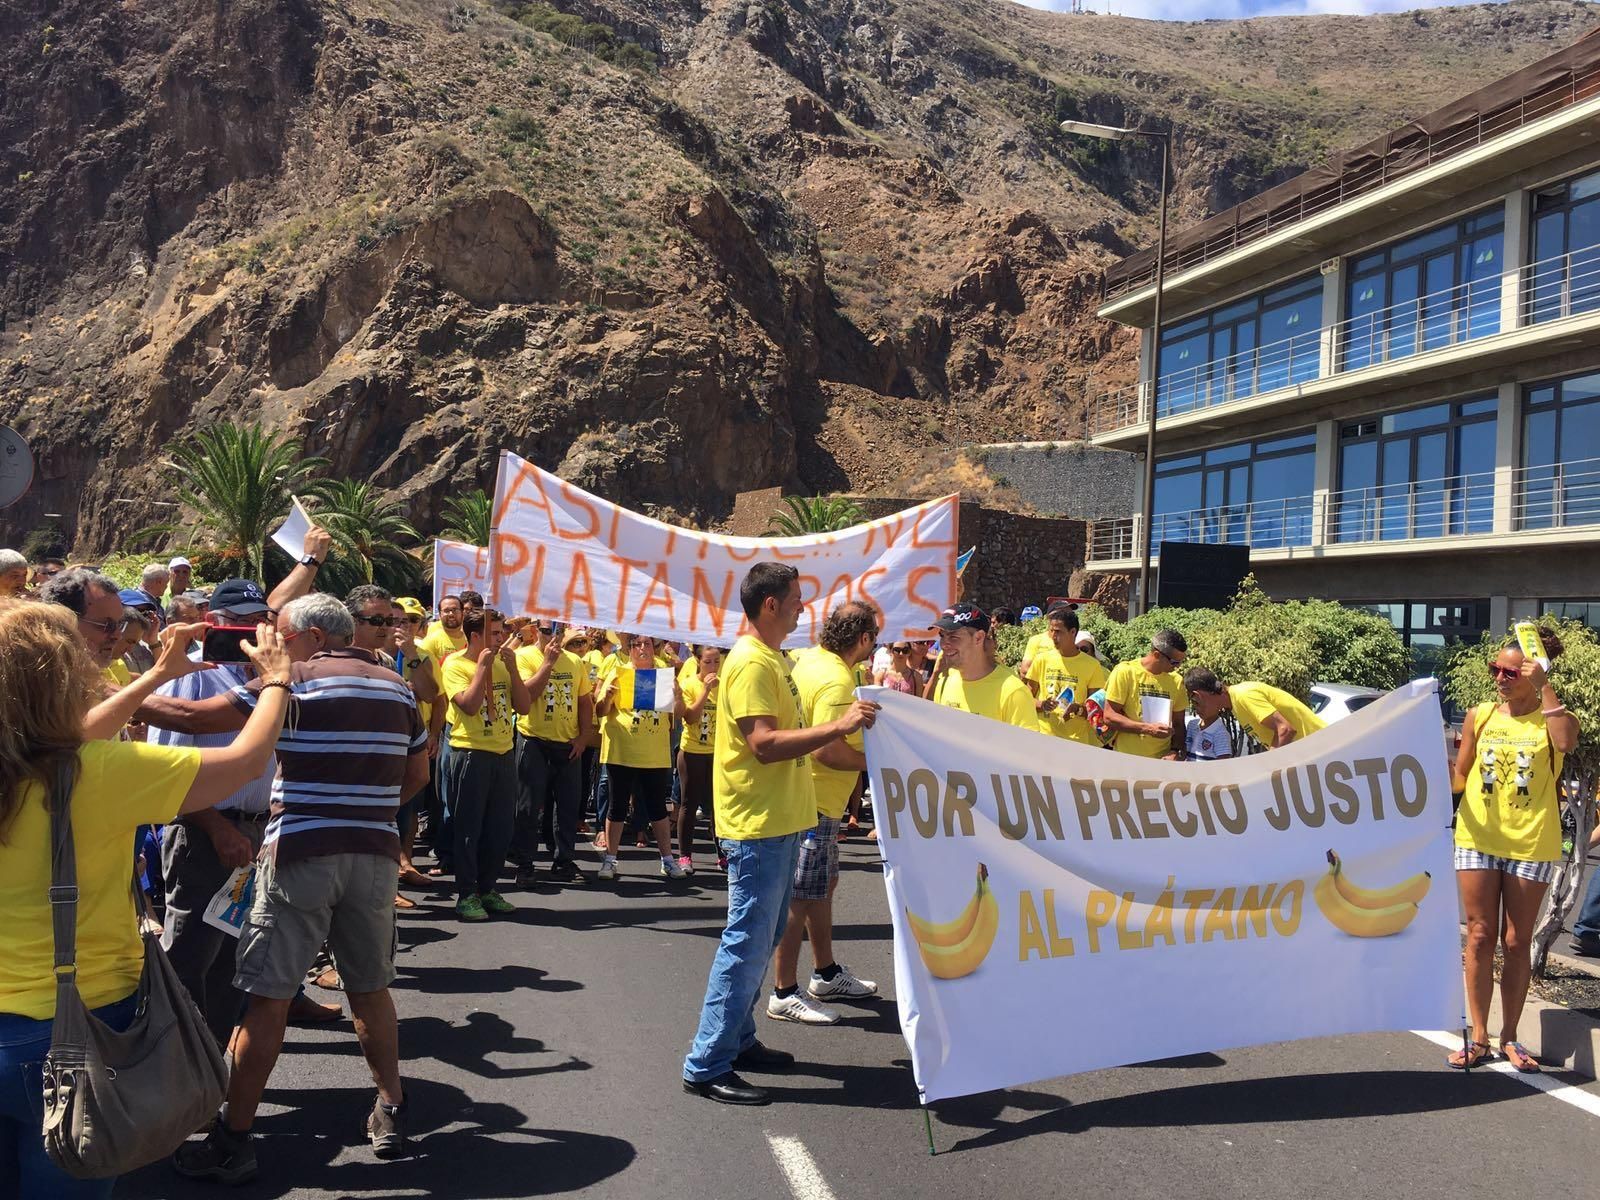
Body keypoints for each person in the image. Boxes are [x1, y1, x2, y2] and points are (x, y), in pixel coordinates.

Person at [0, 599, 291, 1200]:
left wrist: (157, 674)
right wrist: (278, 679)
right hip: (76, 1027)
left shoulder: (46, 765)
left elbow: (65, 740)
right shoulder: (101, 774)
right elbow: (246, 760)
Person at [144, 593, 429, 1179]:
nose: (267, 644)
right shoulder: (396, 688)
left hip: (300, 853)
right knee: (370, 988)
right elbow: (418, 773)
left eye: (277, 633)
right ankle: (391, 1108)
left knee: (269, 995)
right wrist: (366, 812)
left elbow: (196, 720)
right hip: (373, 856)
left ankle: (234, 1137)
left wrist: (122, 690)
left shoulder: (292, 681)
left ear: (310, 637)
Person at [682, 563, 879, 1106]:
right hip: (759, 826)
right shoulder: (749, 661)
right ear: (769, 604)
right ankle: (707, 1061)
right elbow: (764, 743)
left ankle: (738, 1039)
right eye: (794, 598)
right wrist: (839, 727)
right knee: (745, 944)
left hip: (781, 823)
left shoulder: (771, 659)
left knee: (762, 939)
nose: (801, 607)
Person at [145, 579, 337, 1042]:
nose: (248, 629)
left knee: (235, 959)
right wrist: (215, 828)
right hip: (205, 835)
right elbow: (165, 769)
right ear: (212, 622)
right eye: (236, 621)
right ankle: (176, 1073)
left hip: (252, 835)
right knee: (190, 957)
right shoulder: (193, 674)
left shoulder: (268, 677)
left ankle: (211, 1071)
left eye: (258, 620)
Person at [1448, 629, 1579, 1073]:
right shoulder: (1480, 716)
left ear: (1532, 673)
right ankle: (1480, 1038)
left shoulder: (1551, 718)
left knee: (1516, 941)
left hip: (1530, 844)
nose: (1500, 678)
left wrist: (1544, 685)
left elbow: (1566, 743)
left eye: (1510, 671)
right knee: (1480, 936)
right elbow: (1460, 778)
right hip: (1476, 838)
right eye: (1495, 670)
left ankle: (1510, 1038)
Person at [772, 602, 881, 1025]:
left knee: (823, 884)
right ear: (865, 639)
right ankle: (784, 991)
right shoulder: (837, 679)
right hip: (814, 802)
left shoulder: (811, 660)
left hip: (810, 798)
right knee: (801, 896)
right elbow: (828, 749)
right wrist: (875, 764)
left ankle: (826, 972)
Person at [441, 608, 530, 921]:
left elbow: (523, 705)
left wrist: (514, 670)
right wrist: (481, 669)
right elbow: (468, 705)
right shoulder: (455, 663)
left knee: (501, 828)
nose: (501, 637)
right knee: (469, 828)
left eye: (502, 631)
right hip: (469, 754)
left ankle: (489, 888)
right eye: (494, 633)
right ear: (475, 635)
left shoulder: (505, 663)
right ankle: (467, 894)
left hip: (503, 752)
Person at [593, 633, 683, 880]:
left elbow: (679, 715)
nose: (642, 649)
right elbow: (600, 710)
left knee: (657, 808)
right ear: (630, 648)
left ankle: (667, 860)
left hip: (653, 753)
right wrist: (609, 696)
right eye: (637, 645)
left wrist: (678, 696)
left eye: (647, 645)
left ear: (654, 648)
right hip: (621, 751)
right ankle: (610, 860)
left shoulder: (664, 672)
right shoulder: (618, 671)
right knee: (617, 806)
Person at [512, 622, 595, 886]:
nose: (553, 636)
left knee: (567, 805)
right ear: (536, 631)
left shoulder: (574, 661)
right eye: (547, 631)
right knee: (527, 806)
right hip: (533, 739)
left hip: (567, 743)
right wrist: (547, 663)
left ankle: (564, 861)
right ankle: (524, 863)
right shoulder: (524, 656)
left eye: (557, 631)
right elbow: (526, 696)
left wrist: (583, 737)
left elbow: (584, 701)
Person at [390, 597, 442, 897]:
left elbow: (433, 695)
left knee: (408, 806)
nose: (401, 626)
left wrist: (433, 735)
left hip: (413, 739)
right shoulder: (371, 654)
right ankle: (389, 878)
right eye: (395, 620)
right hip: (381, 742)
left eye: (409, 620)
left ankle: (405, 863)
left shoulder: (422, 654)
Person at [933, 604, 1039, 732]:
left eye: (953, 637)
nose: (944, 644)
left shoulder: (1013, 691)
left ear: (978, 638)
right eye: (942, 636)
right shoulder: (945, 682)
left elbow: (1027, 749)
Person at [1182, 668, 1325, 751]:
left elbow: (1285, 730)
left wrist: (1270, 768)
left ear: (1198, 695)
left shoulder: (1243, 696)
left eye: (1194, 702)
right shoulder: (1235, 705)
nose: (1196, 709)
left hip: (1324, 750)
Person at [1027, 604, 1108, 746]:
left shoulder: (1092, 665)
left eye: (1058, 632)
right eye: (1051, 631)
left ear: (1073, 632)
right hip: (1044, 737)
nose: (1053, 636)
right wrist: (1042, 704)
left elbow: (1096, 709)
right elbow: (1026, 697)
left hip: (1076, 742)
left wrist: (1078, 709)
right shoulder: (1041, 659)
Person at [1102, 630, 1188, 760]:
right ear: (1157, 655)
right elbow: (1109, 716)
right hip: (1126, 759)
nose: (1178, 667)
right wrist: (1147, 728)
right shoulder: (1125, 672)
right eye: (1174, 662)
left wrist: (1175, 751)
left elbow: (1178, 724)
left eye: (1181, 661)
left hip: (1161, 762)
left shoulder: (1176, 680)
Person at [677, 644, 723, 873]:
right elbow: (691, 718)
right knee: (689, 803)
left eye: (717, 661)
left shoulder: (726, 684)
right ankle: (685, 856)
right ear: (697, 661)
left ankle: (723, 855)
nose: (713, 666)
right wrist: (705, 691)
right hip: (693, 751)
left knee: (719, 806)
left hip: (718, 752)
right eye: (708, 662)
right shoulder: (690, 685)